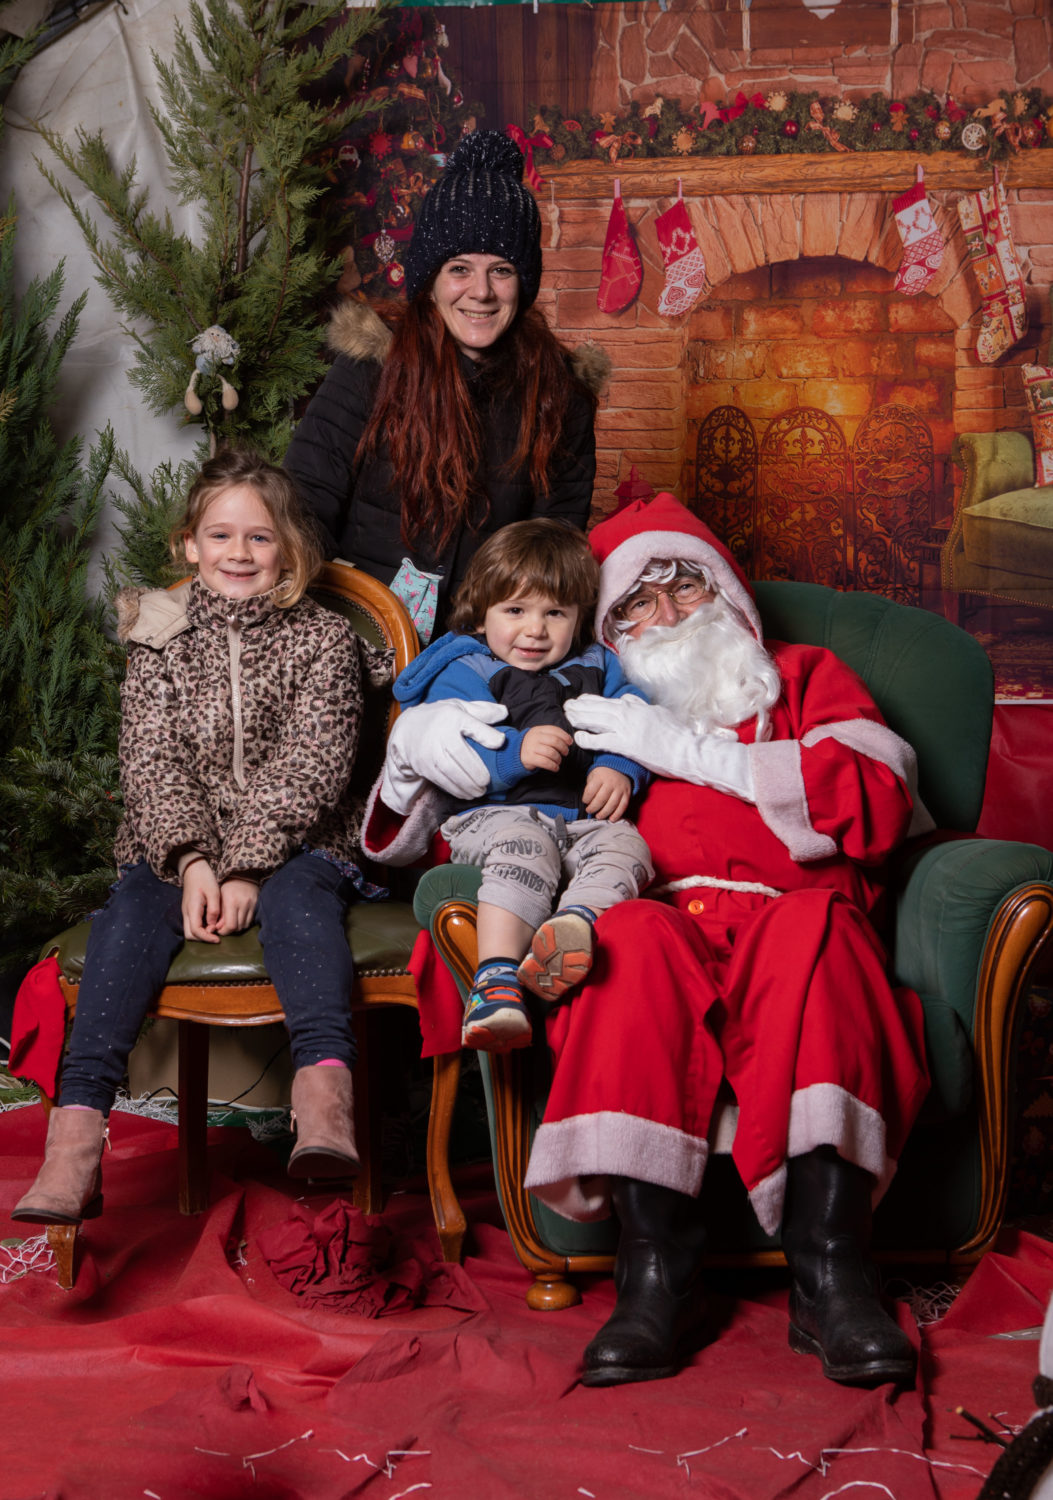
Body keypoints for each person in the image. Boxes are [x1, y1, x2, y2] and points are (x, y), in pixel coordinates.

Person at [363, 492, 933, 1392]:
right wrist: (409, 752)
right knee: (625, 940)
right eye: (635, 602)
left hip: (788, 916)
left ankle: (832, 1273)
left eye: (684, 587)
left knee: (816, 931)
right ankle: (656, 1276)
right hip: (647, 913)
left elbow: (880, 794)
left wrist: (694, 753)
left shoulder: (799, 674)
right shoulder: (573, 702)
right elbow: (438, 839)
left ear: (728, 596)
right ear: (606, 628)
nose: (665, 614)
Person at [13, 449, 386, 1228]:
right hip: (178, 844)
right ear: (189, 544)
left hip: (303, 839)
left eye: (260, 537)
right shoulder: (160, 637)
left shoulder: (323, 639)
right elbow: (151, 760)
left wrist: (246, 866)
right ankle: (74, 1141)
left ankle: (323, 1101)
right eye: (220, 535)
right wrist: (191, 862)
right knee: (128, 917)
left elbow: (314, 764)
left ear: (289, 547)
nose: (238, 553)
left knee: (299, 903)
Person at [284, 128, 607, 642]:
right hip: (356, 630)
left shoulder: (559, 397)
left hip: (486, 645)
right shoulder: (371, 368)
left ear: (523, 283)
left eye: (501, 270)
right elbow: (302, 510)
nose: (481, 292)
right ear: (430, 280)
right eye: (460, 269)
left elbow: (552, 549)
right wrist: (328, 637)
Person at [382, 517, 653, 1052]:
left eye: (555, 613)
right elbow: (447, 745)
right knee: (526, 846)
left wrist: (618, 766)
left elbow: (637, 718)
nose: (535, 630)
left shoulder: (600, 664)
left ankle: (571, 929)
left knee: (630, 845)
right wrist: (513, 752)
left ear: (579, 618)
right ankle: (496, 980)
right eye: (515, 611)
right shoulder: (467, 667)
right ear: (482, 611)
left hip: (584, 820)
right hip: (493, 817)